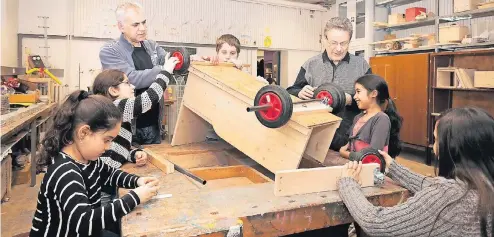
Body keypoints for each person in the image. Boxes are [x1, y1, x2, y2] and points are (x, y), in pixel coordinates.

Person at [338, 107, 494, 237]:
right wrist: (393, 168)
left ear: (451, 148)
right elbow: (434, 186)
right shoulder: (484, 185)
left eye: (436, 140)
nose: (434, 148)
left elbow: (376, 222)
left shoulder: (448, 197)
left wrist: (348, 183)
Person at [30, 91, 160, 237]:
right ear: (83, 133)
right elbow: (85, 223)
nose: (109, 147)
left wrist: (137, 181)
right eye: (107, 140)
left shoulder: (88, 160)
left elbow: (110, 174)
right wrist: (134, 198)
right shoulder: (65, 172)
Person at [286, 17, 372, 153]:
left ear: (349, 42)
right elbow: (291, 91)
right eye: (333, 43)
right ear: (324, 40)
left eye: (343, 43)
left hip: (351, 138)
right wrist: (300, 92)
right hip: (316, 137)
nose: (338, 49)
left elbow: (373, 101)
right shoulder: (311, 64)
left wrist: (350, 99)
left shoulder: (361, 66)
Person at [99, 2, 169, 145]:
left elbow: (171, 58)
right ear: (121, 27)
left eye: (144, 23)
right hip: (127, 128)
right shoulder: (110, 51)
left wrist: (192, 59)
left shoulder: (151, 46)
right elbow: (132, 78)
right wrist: (164, 70)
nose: (142, 28)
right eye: (136, 25)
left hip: (153, 125)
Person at [339, 74, 402, 159]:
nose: (354, 97)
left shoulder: (381, 119)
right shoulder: (358, 118)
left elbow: (372, 156)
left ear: (374, 93)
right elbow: (350, 144)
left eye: (358, 91)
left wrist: (345, 154)